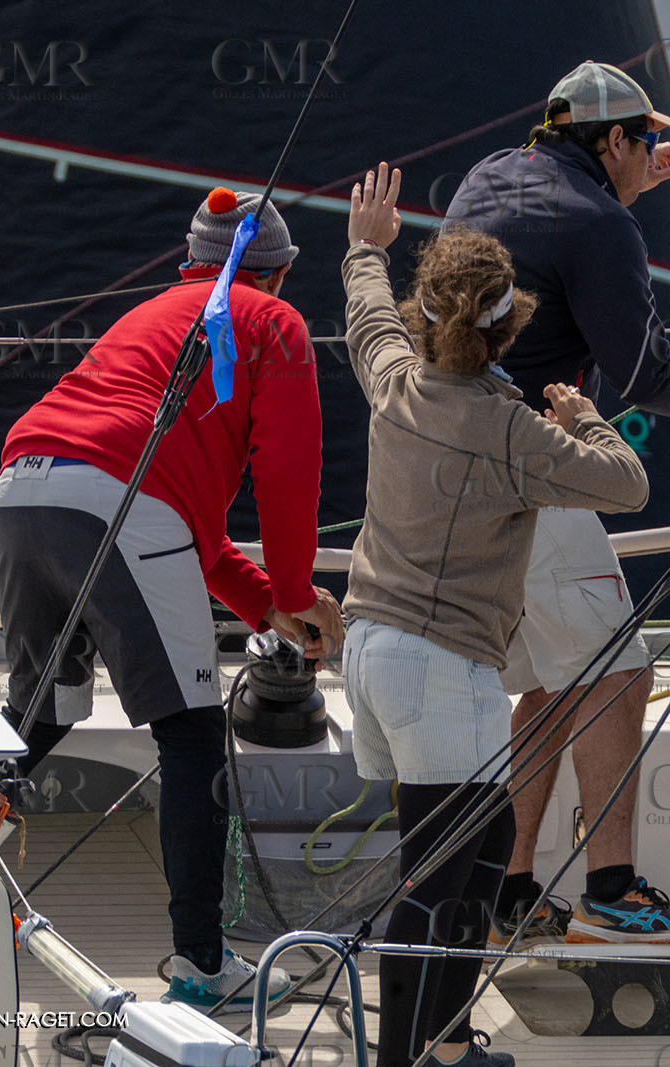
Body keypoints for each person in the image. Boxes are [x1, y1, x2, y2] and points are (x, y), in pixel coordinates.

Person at [0, 186, 344, 1012]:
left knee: (36, 718)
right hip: (120, 500)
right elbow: (287, 474)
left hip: (20, 490)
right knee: (190, 736)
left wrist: (267, 607)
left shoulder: (154, 315)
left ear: (193, 266)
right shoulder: (274, 321)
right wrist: (297, 590)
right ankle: (202, 964)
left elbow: (198, 537)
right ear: (280, 273)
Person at [344, 163, 649, 1066]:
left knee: (471, 864)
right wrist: (588, 416)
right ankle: (413, 1056)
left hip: (370, 655)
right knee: (441, 880)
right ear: (510, 325)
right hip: (444, 669)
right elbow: (626, 484)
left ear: (428, 317)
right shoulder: (514, 431)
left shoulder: (393, 380)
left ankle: (442, 1044)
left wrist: (368, 246)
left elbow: (367, 311)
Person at [444, 61, 670, 944]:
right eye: (646, 141)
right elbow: (645, 369)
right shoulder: (599, 220)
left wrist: (628, 186)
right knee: (619, 669)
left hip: (451, 466)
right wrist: (623, 207)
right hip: (530, 467)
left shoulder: (485, 176)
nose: (655, 154)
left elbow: (554, 251)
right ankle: (612, 891)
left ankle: (508, 892)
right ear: (610, 141)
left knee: (546, 680)